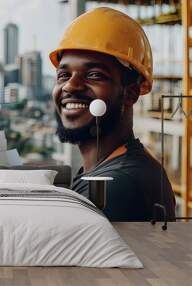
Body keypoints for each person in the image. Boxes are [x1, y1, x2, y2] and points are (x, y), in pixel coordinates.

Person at [49, 7, 175, 221]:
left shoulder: (116, 188)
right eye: (63, 74)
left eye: (95, 75)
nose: (70, 85)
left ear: (131, 93)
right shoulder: (122, 169)